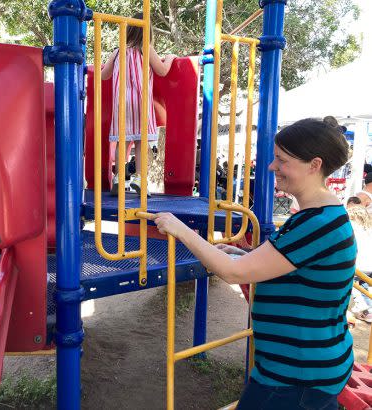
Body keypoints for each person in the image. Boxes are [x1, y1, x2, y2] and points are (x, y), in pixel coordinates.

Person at [148, 117, 354, 409]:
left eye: (282, 160)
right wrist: (245, 256)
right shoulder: (320, 215)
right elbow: (296, 271)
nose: (272, 167)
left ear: (314, 165)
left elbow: (233, 274)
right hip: (305, 367)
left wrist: (180, 229)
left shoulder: (317, 223)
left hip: (295, 376)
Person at [101, 12, 176, 195]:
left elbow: (104, 75)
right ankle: (140, 180)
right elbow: (162, 71)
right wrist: (171, 58)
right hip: (141, 102)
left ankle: (119, 178)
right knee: (141, 142)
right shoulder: (146, 48)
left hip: (122, 103)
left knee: (122, 142)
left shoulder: (118, 51)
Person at [347, 205, 372, 322]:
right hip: (369, 265)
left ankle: (364, 310)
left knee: (355, 287)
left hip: (359, 264)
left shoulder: (351, 226)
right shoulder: (368, 228)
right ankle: (367, 308)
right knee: (364, 286)